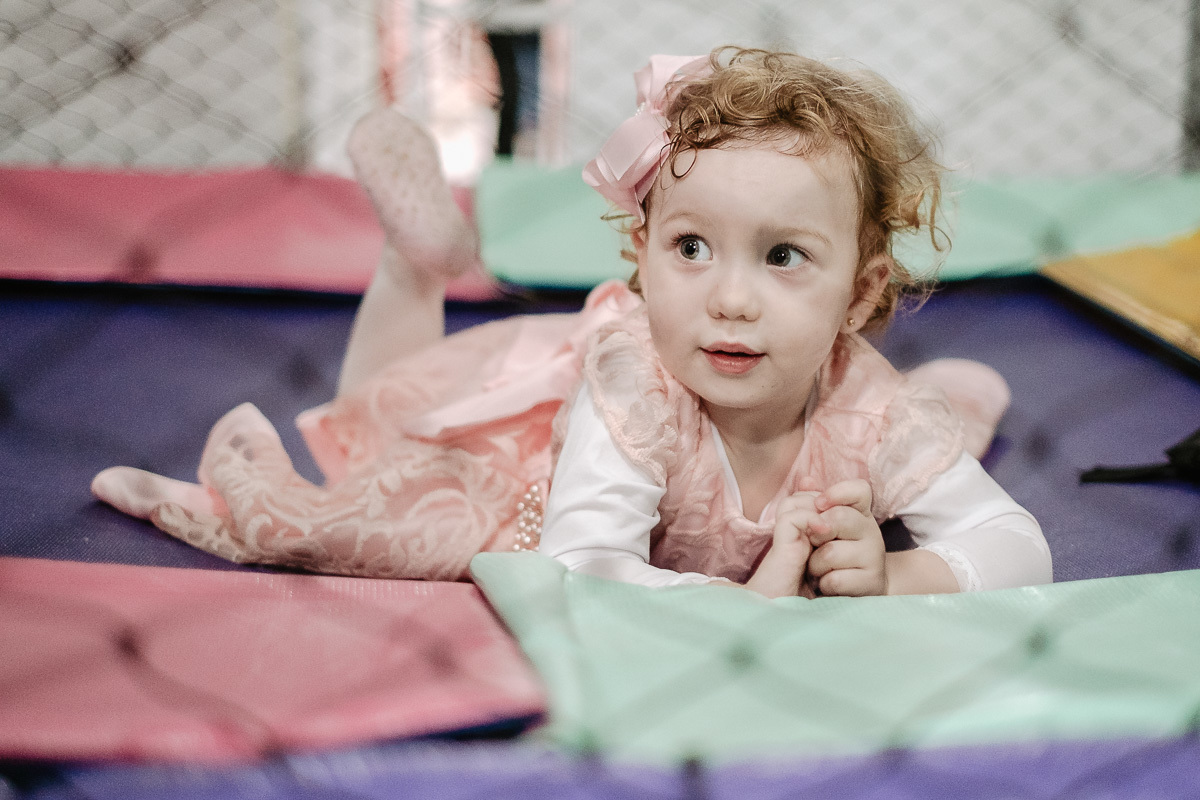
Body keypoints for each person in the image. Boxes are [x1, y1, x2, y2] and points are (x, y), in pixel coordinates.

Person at [92, 47, 1052, 597]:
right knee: (380, 474)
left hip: (837, 420)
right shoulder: (636, 391)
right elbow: (585, 568)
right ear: (639, 256)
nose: (728, 297)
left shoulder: (865, 405)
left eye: (783, 256)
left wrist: (901, 580)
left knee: (910, 454)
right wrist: (756, 606)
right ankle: (412, 266)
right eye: (689, 248)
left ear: (860, 293)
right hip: (526, 463)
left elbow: (1022, 547)